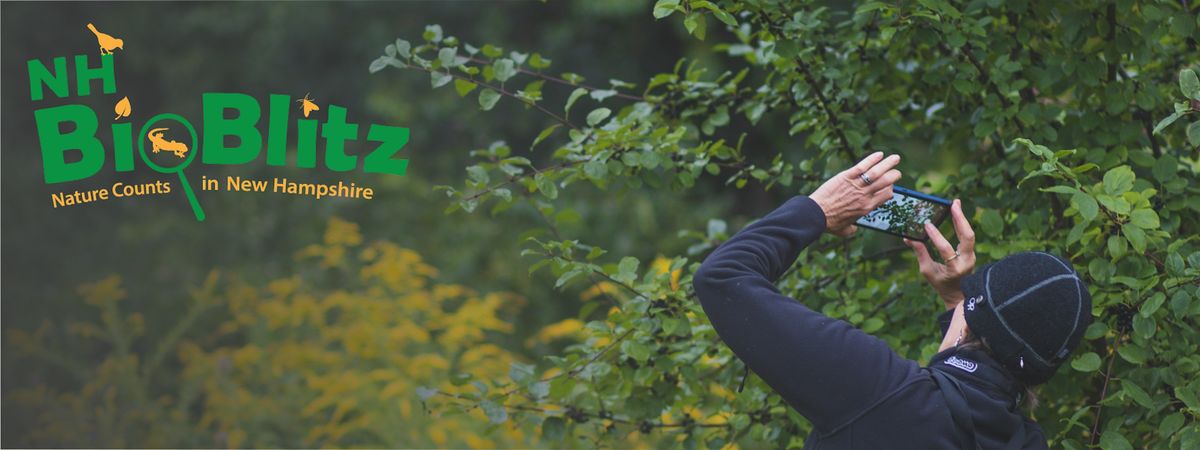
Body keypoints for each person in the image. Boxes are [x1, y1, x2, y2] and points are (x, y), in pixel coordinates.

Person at [692, 152, 1092, 449]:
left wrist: (819, 210)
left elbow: (722, 278)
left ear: (968, 324)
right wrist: (959, 301)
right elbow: (965, 396)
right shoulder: (1025, 442)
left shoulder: (878, 390)